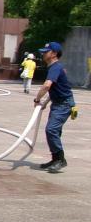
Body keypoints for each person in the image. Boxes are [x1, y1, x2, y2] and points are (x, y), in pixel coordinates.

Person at [33, 42, 75, 173]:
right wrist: (45, 103)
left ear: (54, 54)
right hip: (58, 103)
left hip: (64, 104)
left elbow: (47, 86)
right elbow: (55, 89)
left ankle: (61, 160)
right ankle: (55, 159)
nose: (43, 53)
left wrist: (37, 99)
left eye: (46, 51)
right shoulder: (54, 67)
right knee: (54, 131)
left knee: (51, 130)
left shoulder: (55, 67)